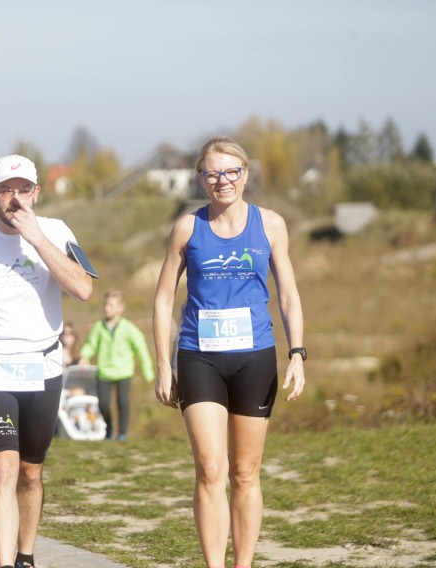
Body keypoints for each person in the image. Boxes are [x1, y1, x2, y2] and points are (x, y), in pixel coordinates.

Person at [152, 136, 306, 568]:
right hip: (199, 357)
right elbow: (164, 299)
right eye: (213, 173)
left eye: (231, 171)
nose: (223, 181)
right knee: (210, 469)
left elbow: (289, 294)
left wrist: (297, 353)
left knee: (244, 472)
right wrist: (163, 365)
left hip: (254, 357)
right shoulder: (187, 227)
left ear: (245, 174)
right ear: (201, 179)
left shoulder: (271, 224)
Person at [0, 155, 93, 568]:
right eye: (6, 190)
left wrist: (38, 238)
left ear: (36, 193)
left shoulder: (58, 232)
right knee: (3, 469)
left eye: (23, 189)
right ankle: (5, 563)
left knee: (30, 471)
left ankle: (25, 557)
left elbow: (82, 289)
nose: (15, 199)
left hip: (43, 367)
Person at [78, 291, 155, 441]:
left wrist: (148, 372)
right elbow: (90, 345)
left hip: (123, 372)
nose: (107, 308)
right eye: (105, 304)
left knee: (123, 404)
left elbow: (141, 349)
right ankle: (109, 425)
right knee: (104, 405)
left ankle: (122, 434)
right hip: (104, 372)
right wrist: (84, 356)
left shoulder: (129, 328)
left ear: (121, 308)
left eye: (111, 305)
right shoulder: (99, 327)